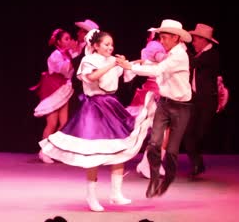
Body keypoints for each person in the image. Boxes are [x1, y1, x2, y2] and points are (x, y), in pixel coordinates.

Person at [40, 29, 151, 212]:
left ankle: (116, 193)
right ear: (96, 45)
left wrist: (131, 64)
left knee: (119, 147)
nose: (110, 47)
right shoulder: (88, 60)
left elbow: (125, 73)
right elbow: (91, 77)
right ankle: (91, 196)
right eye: (106, 44)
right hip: (95, 106)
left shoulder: (111, 60)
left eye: (111, 44)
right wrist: (112, 64)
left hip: (111, 104)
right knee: (94, 153)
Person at [117, 19, 192, 198]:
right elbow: (156, 67)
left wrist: (131, 67)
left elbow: (159, 70)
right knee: (154, 143)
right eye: (161, 37)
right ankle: (154, 178)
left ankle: (167, 180)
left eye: (165, 37)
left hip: (181, 107)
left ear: (176, 38)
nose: (162, 41)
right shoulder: (170, 53)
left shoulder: (179, 55)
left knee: (172, 150)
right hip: (164, 104)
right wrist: (139, 64)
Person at [30, 28, 77, 163]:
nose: (69, 41)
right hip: (53, 90)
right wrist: (73, 56)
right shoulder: (55, 55)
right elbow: (64, 70)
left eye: (69, 38)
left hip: (64, 89)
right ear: (58, 42)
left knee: (64, 123)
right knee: (52, 122)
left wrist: (74, 53)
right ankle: (43, 151)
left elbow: (70, 73)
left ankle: (53, 150)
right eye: (66, 39)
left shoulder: (67, 54)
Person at [126, 29, 168, 179]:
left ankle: (149, 163)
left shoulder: (154, 46)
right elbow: (162, 60)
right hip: (154, 91)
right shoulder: (155, 46)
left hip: (159, 89)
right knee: (158, 131)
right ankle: (148, 163)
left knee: (160, 131)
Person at [183, 23, 221, 178]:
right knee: (188, 133)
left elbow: (193, 63)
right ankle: (197, 164)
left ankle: (198, 163)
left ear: (204, 40)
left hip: (206, 101)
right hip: (195, 100)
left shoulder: (211, 54)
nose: (193, 42)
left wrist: (183, 49)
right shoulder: (201, 54)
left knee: (199, 133)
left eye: (195, 40)